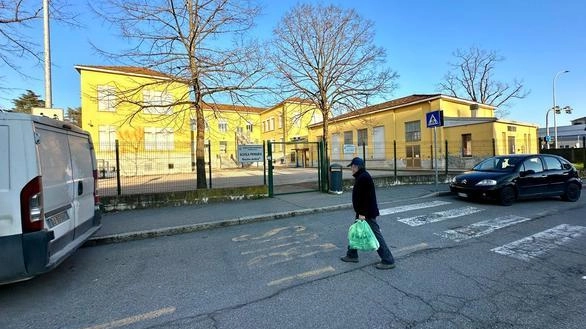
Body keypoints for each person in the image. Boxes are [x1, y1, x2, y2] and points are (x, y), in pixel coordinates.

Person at [341, 157, 396, 270]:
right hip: (363, 212)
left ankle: (388, 260)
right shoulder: (362, 176)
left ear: (356, 167)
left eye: (352, 166)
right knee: (355, 232)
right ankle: (352, 254)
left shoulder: (364, 178)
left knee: (376, 236)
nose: (351, 169)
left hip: (366, 214)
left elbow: (366, 198)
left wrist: (362, 213)